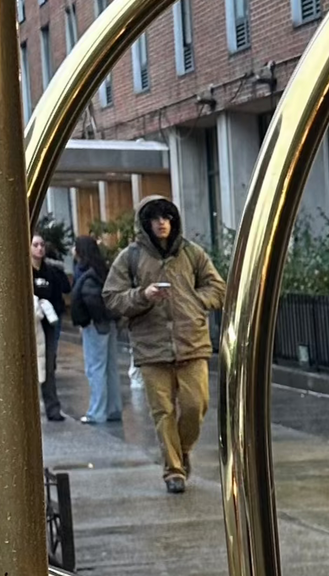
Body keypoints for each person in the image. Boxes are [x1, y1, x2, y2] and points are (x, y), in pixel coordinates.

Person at [103, 195, 225, 493]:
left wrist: (195, 301)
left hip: (191, 344)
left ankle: (181, 452)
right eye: (156, 218)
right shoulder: (129, 257)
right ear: (146, 223)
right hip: (151, 348)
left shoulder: (192, 253)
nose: (162, 223)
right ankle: (173, 470)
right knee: (163, 412)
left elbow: (218, 287)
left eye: (167, 217)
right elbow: (112, 297)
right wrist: (143, 295)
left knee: (195, 406)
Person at [71, 233, 122, 425]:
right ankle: (113, 408)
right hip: (107, 323)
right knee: (110, 368)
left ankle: (96, 412)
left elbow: (90, 299)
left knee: (95, 368)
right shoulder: (102, 269)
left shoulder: (84, 271)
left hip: (94, 324)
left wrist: (87, 320)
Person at [31, 233, 71, 421]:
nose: (39, 248)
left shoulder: (51, 272)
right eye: (35, 245)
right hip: (30, 324)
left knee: (48, 364)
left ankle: (52, 407)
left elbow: (62, 291)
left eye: (42, 245)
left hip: (48, 324)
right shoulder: (23, 273)